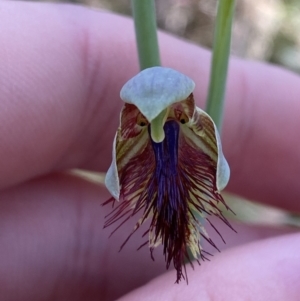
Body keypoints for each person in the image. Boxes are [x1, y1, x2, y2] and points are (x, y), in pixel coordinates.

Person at [0, 2, 299, 300]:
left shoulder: (189, 127)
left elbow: (216, 165)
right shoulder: (156, 130)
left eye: (173, 112)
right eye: (145, 117)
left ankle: (184, 243)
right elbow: (119, 173)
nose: (162, 121)